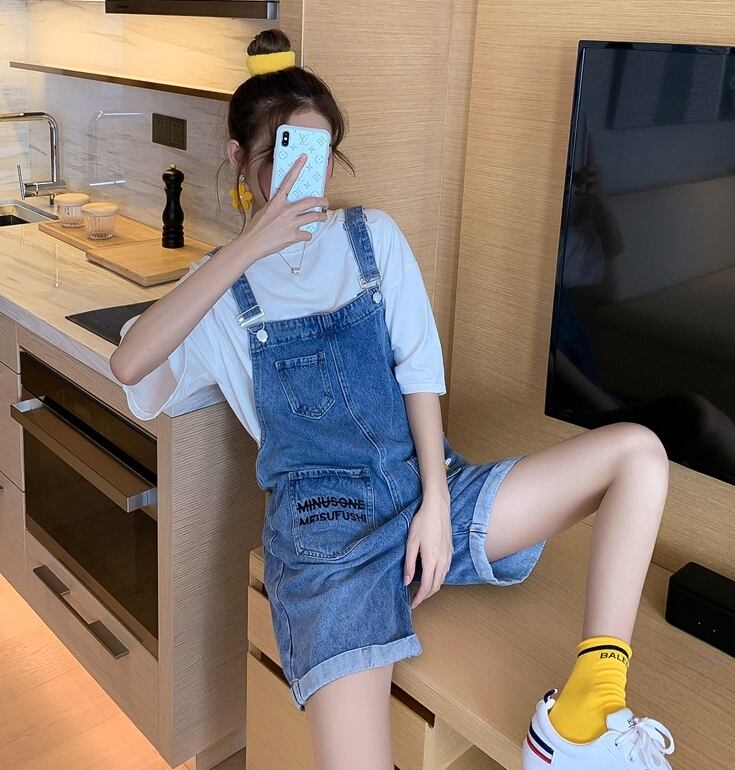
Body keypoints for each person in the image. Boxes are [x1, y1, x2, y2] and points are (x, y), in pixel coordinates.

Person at [110, 29, 676, 770]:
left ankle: (583, 715)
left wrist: (437, 504)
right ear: (237, 158)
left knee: (638, 453)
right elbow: (130, 364)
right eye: (281, 155)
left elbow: (420, 372)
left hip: (422, 495)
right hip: (326, 547)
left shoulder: (370, 238)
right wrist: (249, 246)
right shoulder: (218, 290)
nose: (301, 178)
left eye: (316, 155)